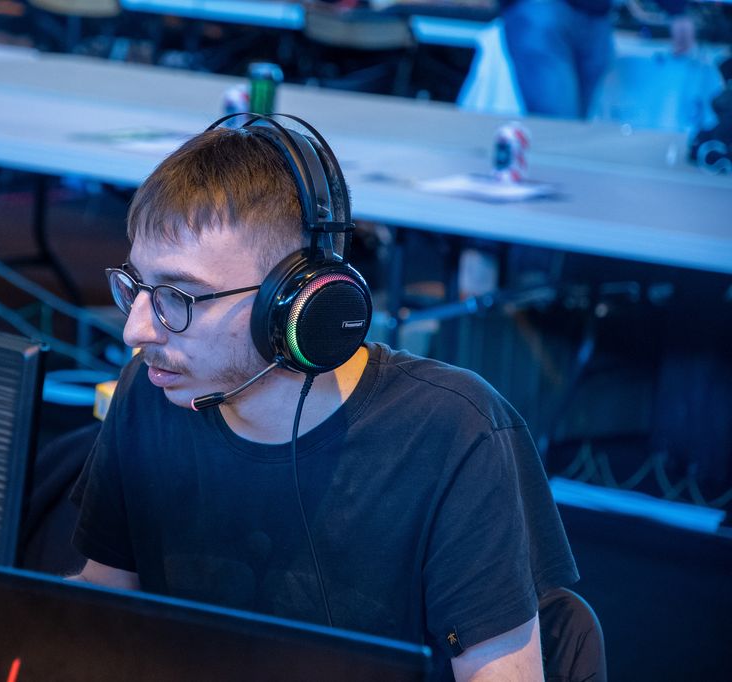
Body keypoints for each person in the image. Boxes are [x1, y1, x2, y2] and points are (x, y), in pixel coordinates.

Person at [70, 114, 579, 681]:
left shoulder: (454, 433)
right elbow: (100, 613)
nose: (136, 331)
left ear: (298, 302)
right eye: (137, 287)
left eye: (178, 296)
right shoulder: (151, 389)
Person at [502, 0, 697, 119]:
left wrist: (675, 8)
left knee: (573, 130)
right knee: (559, 125)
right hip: (542, 10)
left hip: (596, 16)